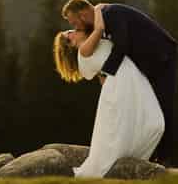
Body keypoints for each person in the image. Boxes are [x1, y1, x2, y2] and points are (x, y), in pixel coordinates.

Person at [62, 0, 178, 164]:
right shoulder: (102, 18)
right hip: (144, 67)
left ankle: (164, 158)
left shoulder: (113, 14)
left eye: (74, 23)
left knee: (163, 106)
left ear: (82, 15)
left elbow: (121, 45)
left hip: (162, 58)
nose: (75, 27)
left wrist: (108, 75)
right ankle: (151, 156)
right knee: (143, 112)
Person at [53, 28, 164, 177]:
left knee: (155, 124)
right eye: (70, 32)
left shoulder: (93, 43)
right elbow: (99, 28)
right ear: (71, 43)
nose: (75, 29)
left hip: (132, 80)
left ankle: (134, 162)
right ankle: (126, 168)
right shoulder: (84, 54)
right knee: (124, 134)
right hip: (121, 84)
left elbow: (102, 72)